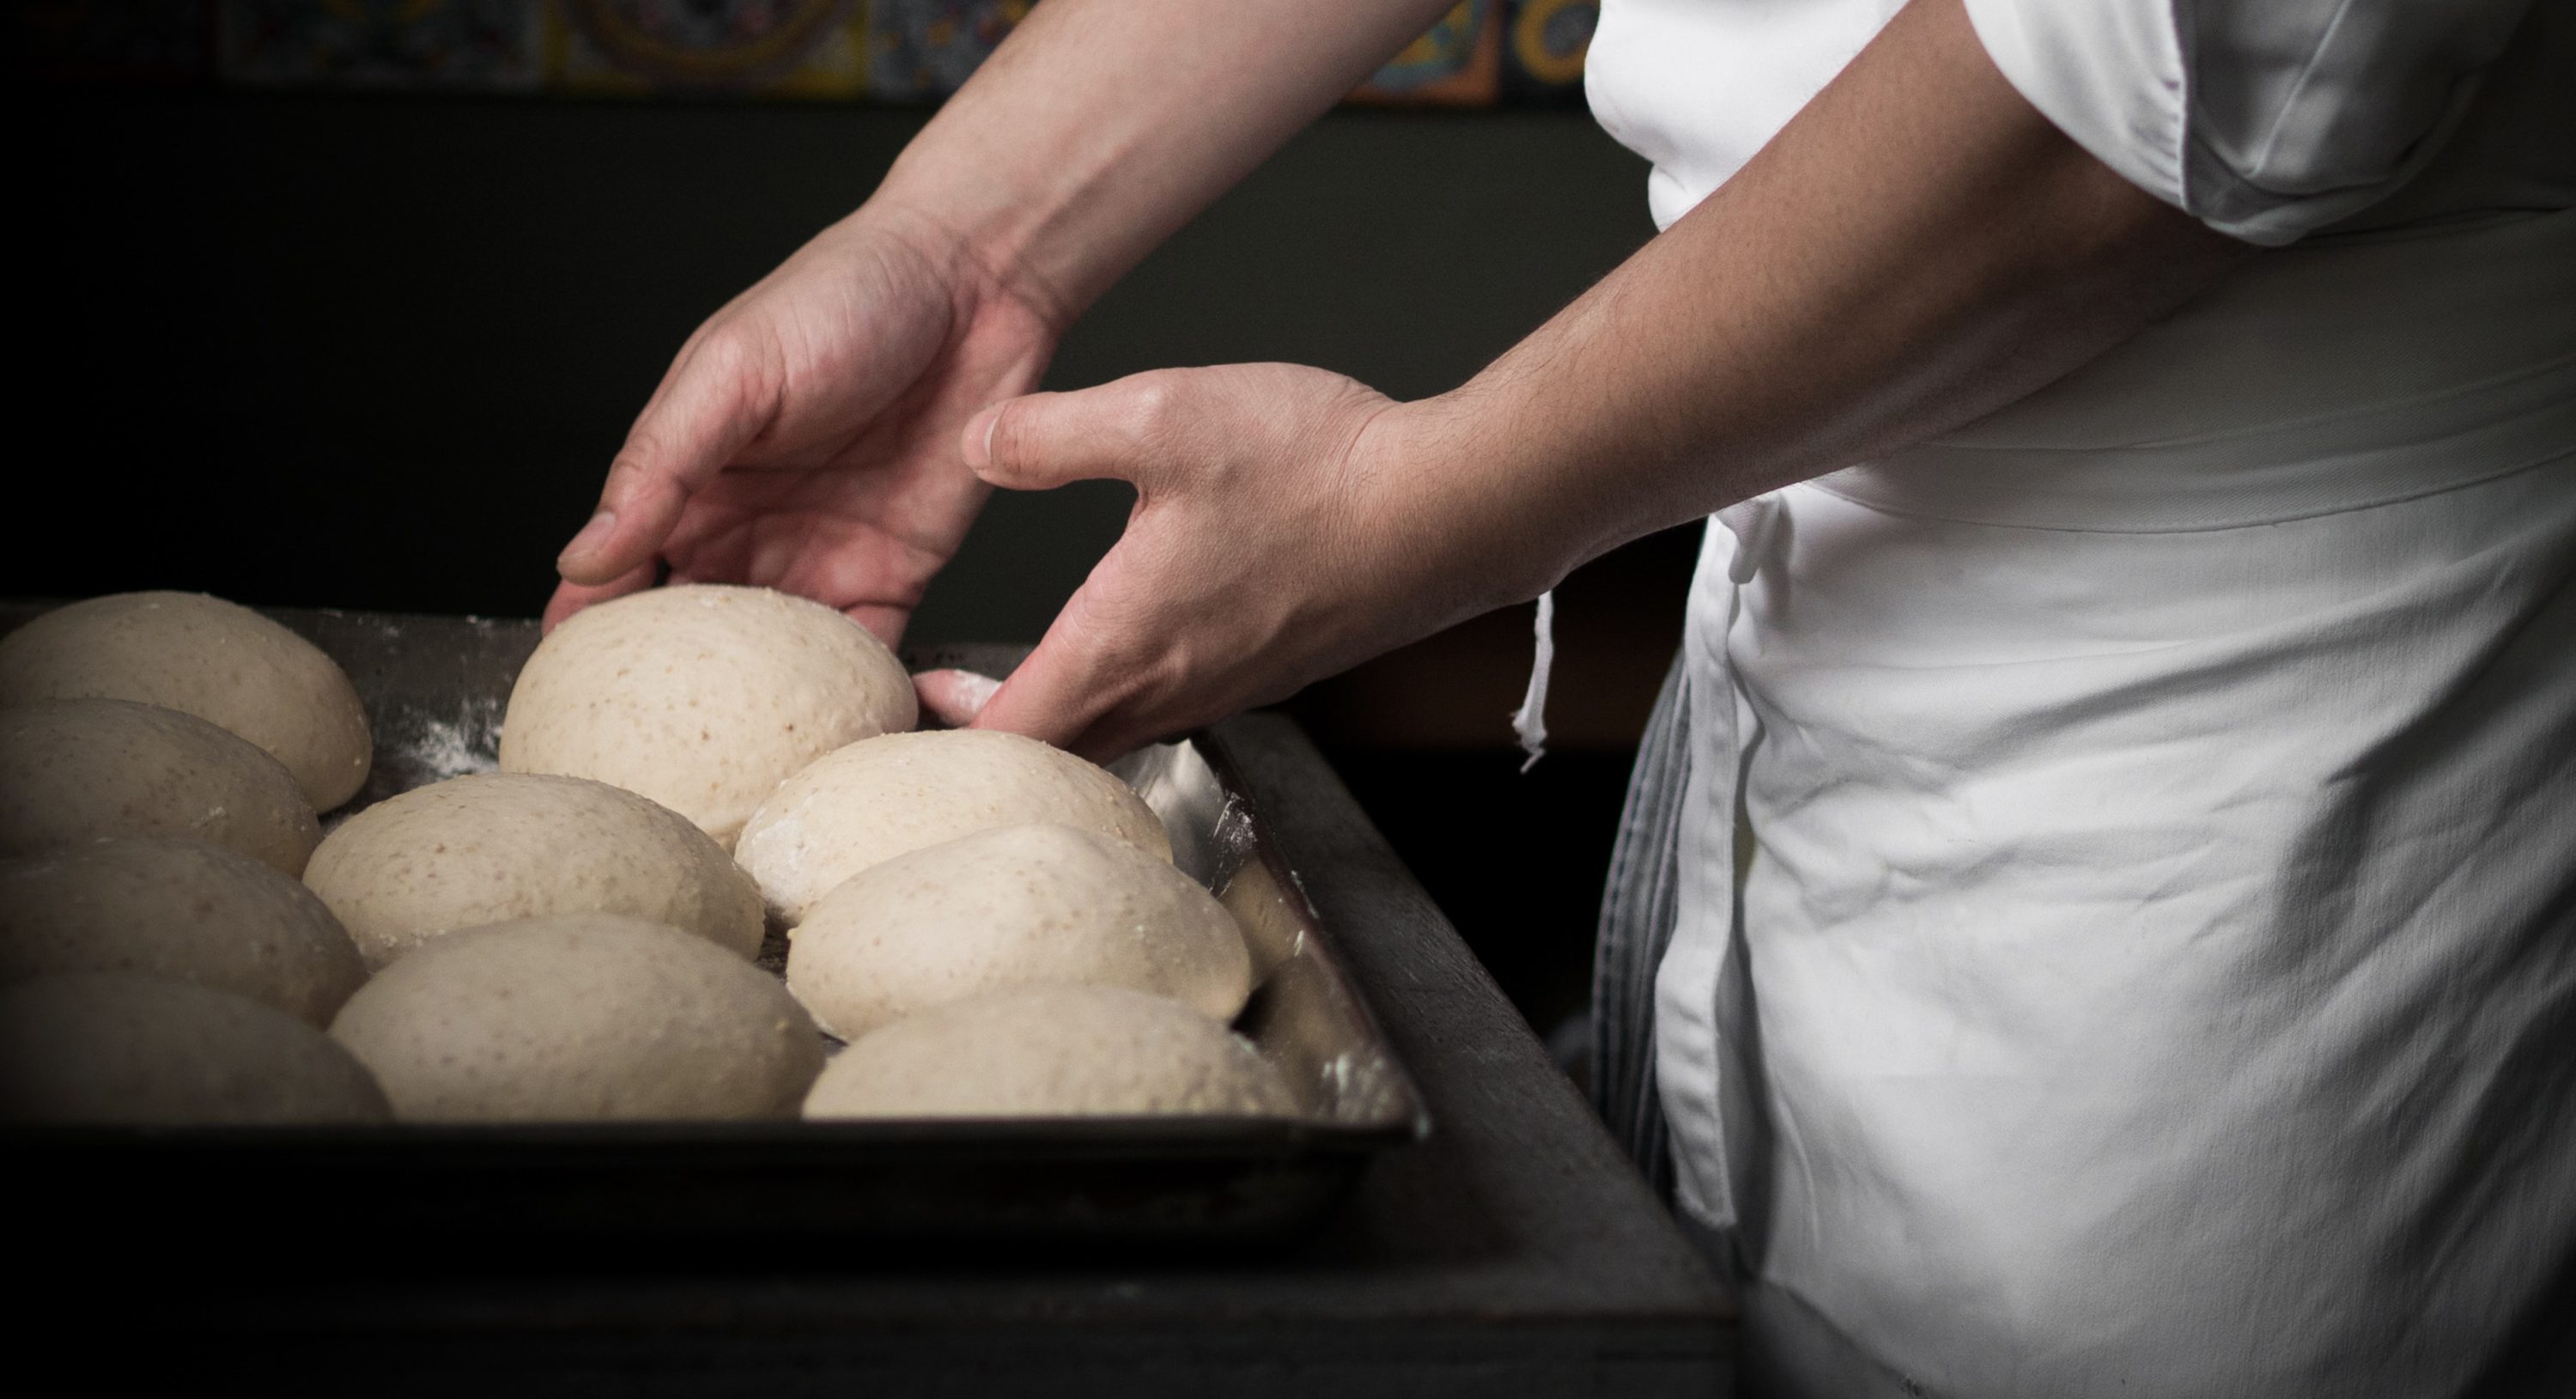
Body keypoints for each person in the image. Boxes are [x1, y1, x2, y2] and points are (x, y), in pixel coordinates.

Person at [548, 0, 2575, 1391]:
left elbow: (2168, 71)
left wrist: (1414, 508)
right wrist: (965, 247)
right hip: (1788, 571)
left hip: (2235, 748)